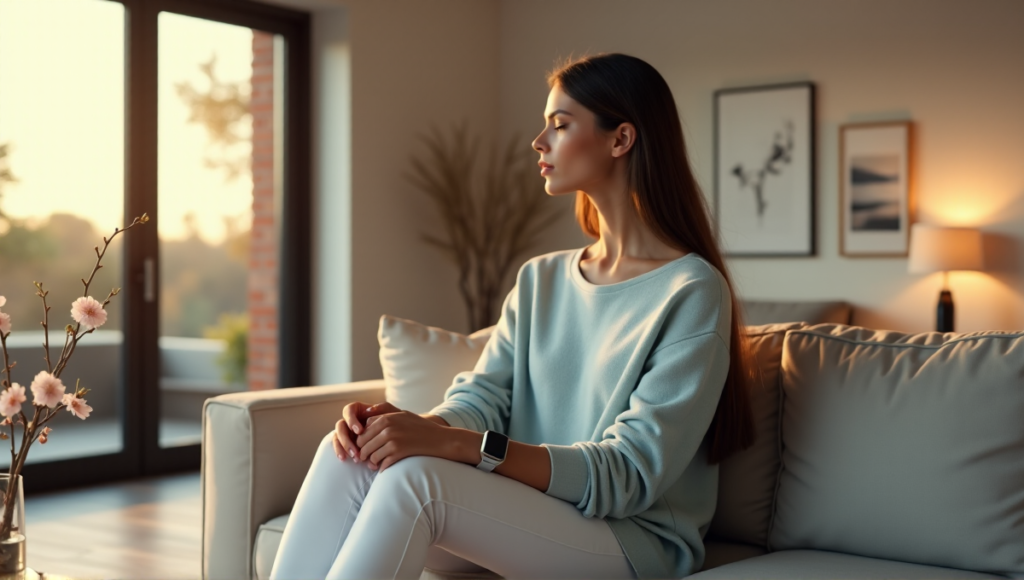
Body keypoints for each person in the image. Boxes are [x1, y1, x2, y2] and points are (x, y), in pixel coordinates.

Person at [269, 52, 757, 580]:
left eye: (560, 125)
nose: (538, 142)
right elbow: (483, 399)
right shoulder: (540, 278)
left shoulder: (691, 290)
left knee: (418, 482)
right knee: (353, 455)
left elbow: (628, 475)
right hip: (525, 510)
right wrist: (410, 429)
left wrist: (457, 446)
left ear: (621, 139)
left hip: (629, 539)